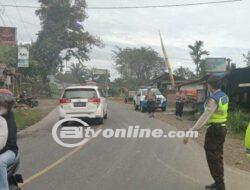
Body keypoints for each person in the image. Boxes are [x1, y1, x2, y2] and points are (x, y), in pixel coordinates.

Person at [183, 75, 228, 190]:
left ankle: (219, 184)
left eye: (207, 84)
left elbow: (205, 116)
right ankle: (218, 182)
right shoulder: (223, 96)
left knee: (213, 157)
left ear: (210, 86)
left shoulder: (213, 99)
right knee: (218, 156)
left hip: (214, 130)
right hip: (222, 128)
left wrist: (192, 130)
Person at [0, 89, 18, 190]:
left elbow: (9, 141)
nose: (2, 104)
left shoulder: (9, 119)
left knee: (0, 161)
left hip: (9, 151)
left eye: (5, 102)